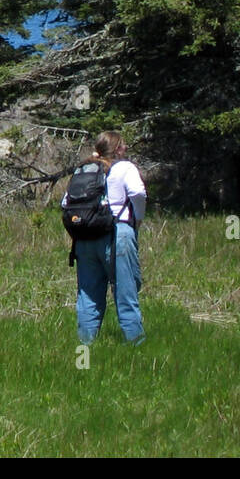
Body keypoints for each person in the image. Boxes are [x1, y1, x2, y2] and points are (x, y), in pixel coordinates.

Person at [69, 131, 146, 344]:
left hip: (84, 238)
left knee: (88, 295)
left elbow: (66, 202)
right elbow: (138, 193)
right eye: (124, 145)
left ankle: (85, 345)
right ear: (118, 148)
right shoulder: (125, 167)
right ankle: (135, 344)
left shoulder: (85, 168)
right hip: (117, 233)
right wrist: (137, 219)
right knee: (125, 291)